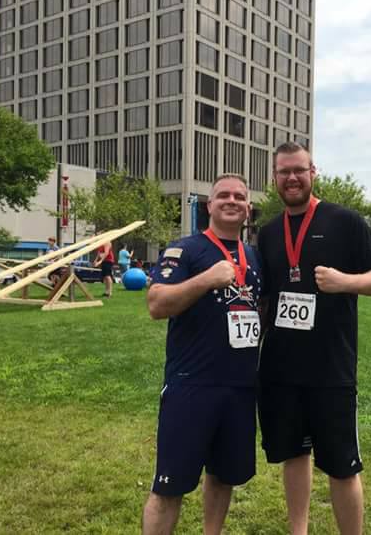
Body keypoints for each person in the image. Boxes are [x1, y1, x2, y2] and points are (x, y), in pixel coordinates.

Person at [257, 142, 371, 535]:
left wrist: (344, 281)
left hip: (331, 369)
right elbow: (266, 299)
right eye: (284, 172)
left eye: (299, 170)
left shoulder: (345, 221)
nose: (292, 178)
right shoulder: (268, 233)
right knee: (294, 455)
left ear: (312, 172)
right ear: (275, 178)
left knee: (341, 466)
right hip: (281, 369)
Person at [143, 174, 262, 535]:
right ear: (209, 205)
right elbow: (157, 303)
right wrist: (207, 279)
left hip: (240, 389)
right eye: (223, 195)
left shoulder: (254, 256)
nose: (232, 201)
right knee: (170, 485)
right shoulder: (185, 250)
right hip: (192, 387)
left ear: (248, 208)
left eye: (239, 196)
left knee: (223, 477)